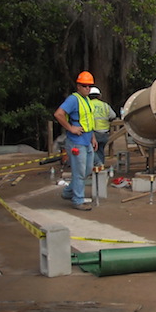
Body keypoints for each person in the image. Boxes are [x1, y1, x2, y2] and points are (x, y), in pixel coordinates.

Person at [53, 71, 97, 211]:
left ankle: (67, 192)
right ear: (78, 86)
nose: (87, 89)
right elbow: (58, 114)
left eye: (89, 86)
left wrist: (93, 137)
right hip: (76, 142)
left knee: (87, 170)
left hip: (87, 140)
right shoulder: (73, 99)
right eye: (84, 86)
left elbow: (89, 121)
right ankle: (78, 200)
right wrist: (70, 128)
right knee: (79, 173)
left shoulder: (87, 100)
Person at [88, 86, 116, 166]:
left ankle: (97, 166)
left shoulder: (88, 105)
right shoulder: (105, 105)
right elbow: (113, 116)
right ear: (99, 96)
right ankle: (100, 169)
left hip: (93, 133)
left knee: (91, 151)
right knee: (100, 151)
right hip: (104, 133)